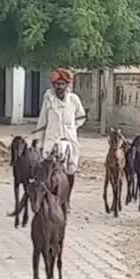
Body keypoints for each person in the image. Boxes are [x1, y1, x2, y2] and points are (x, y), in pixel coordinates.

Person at [31, 68, 87, 205]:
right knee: (47, 171)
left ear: (67, 85)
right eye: (57, 84)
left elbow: (81, 117)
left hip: (68, 141)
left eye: (62, 84)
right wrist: (38, 141)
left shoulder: (73, 99)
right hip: (51, 140)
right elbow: (42, 120)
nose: (60, 87)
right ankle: (48, 197)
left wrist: (72, 127)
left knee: (70, 170)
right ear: (53, 85)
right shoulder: (48, 99)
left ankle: (66, 199)